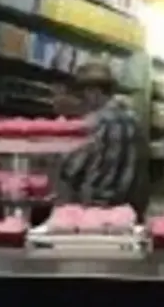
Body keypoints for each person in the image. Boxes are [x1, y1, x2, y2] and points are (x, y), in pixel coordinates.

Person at [58, 60, 141, 209]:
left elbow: (72, 169)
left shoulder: (94, 122)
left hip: (95, 204)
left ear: (94, 92)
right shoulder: (133, 119)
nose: (83, 100)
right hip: (126, 205)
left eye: (83, 94)